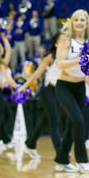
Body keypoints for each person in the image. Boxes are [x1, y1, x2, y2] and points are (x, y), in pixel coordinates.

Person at [54, 9, 89, 174]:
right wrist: (80, 59)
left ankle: (61, 161)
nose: (79, 23)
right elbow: (60, 64)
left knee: (71, 125)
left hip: (80, 87)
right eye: (76, 20)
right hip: (64, 86)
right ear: (72, 23)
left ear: (87, 23)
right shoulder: (66, 40)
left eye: (82, 19)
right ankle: (82, 160)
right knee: (78, 119)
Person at [18, 32, 63, 160]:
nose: (65, 43)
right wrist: (24, 86)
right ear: (55, 43)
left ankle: (30, 144)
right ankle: (61, 154)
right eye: (61, 41)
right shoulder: (50, 57)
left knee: (45, 121)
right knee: (54, 120)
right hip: (48, 90)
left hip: (59, 92)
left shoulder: (68, 56)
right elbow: (37, 74)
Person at [0, 32, 18, 154]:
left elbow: (8, 51)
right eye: (1, 48)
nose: (3, 49)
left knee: (1, 117)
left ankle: (5, 139)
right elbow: (9, 79)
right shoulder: (0, 64)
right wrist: (18, 87)